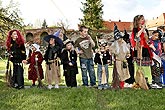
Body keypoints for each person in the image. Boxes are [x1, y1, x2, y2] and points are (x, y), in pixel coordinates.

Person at [130, 15, 153, 86]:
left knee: (146, 66)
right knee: (139, 65)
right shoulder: (135, 29)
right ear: (138, 21)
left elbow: (147, 40)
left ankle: (145, 81)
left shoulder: (145, 30)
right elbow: (136, 37)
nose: (143, 20)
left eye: (144, 19)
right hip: (139, 49)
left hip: (145, 49)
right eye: (142, 19)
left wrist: (150, 44)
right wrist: (142, 29)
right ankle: (139, 80)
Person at [111, 24, 130, 89]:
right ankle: (116, 85)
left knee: (124, 73)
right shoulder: (114, 45)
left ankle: (122, 85)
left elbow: (127, 52)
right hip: (118, 61)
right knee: (118, 74)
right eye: (119, 38)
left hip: (124, 61)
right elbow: (112, 52)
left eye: (121, 38)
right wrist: (113, 57)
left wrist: (128, 54)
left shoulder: (124, 44)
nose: (120, 40)